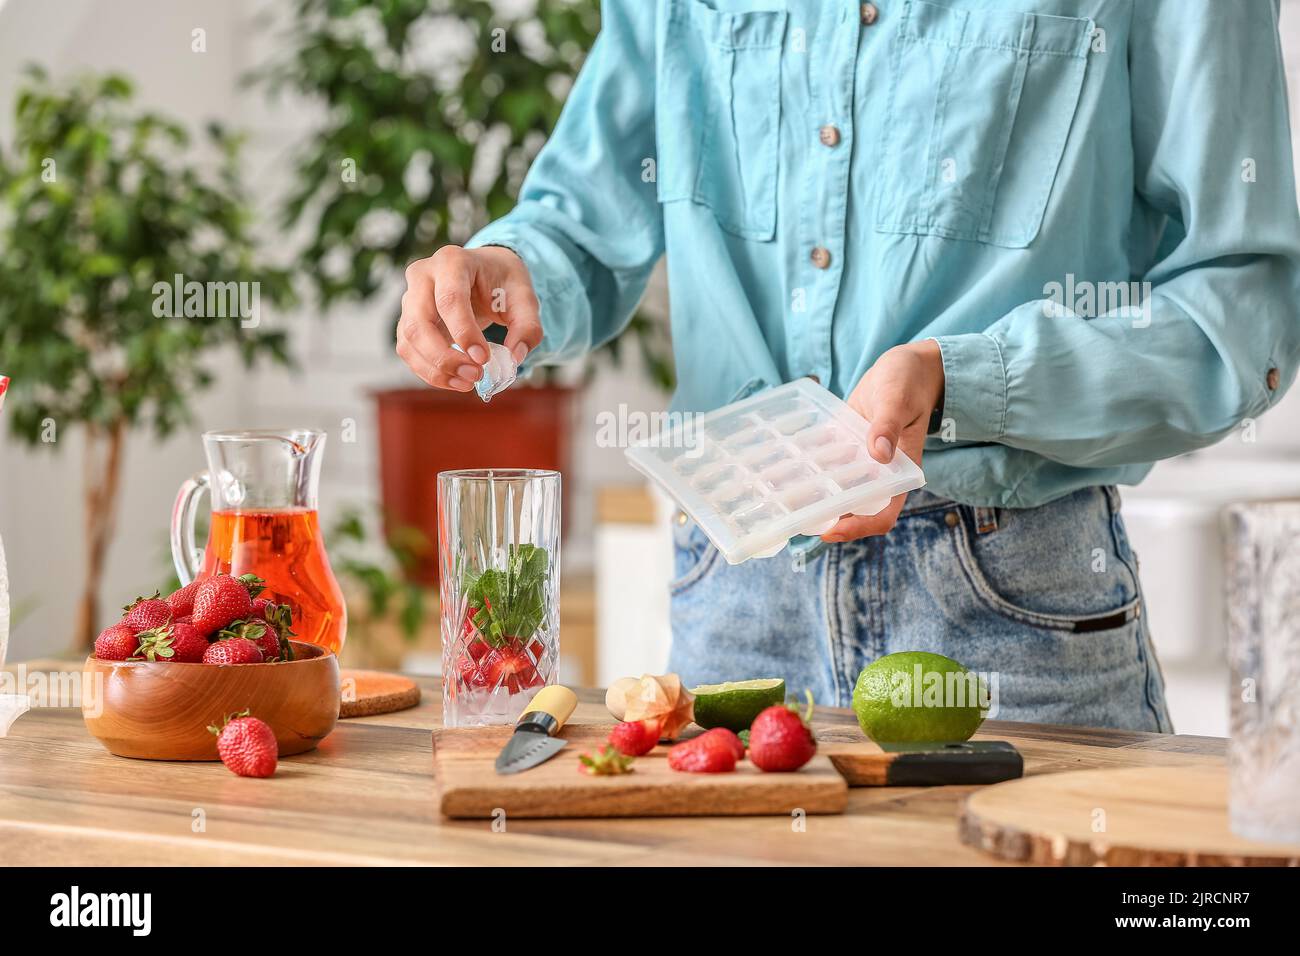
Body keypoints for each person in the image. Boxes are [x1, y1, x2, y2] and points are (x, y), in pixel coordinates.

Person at [397, 0, 1300, 731]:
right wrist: (509, 274)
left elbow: (1242, 316)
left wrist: (964, 381)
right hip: (733, 594)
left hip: (1009, 611)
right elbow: (585, 224)